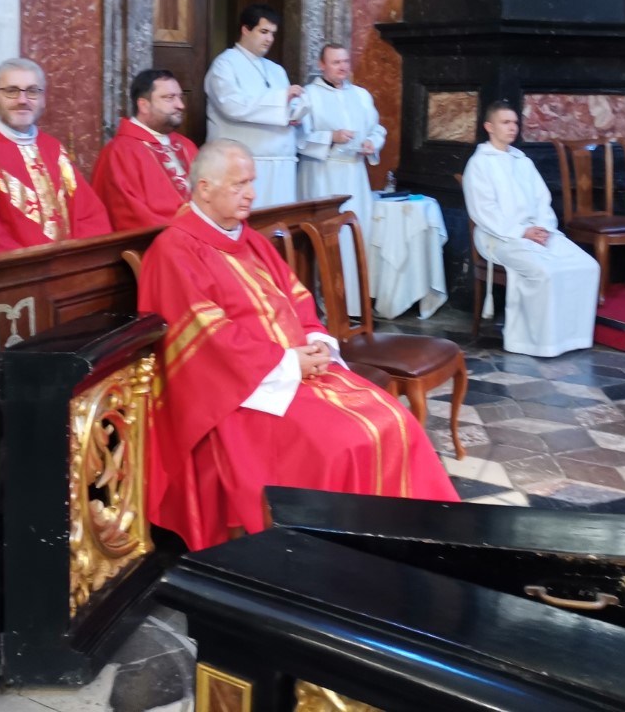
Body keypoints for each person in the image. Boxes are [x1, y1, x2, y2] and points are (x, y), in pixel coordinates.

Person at [138, 139, 460, 551]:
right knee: (342, 445)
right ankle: (331, 555)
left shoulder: (249, 239)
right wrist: (288, 363)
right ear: (204, 188)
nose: (251, 193)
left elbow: (297, 298)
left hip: (297, 372)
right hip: (240, 394)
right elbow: (208, 338)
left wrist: (317, 341)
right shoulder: (175, 251)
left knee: (395, 421)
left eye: (251, 182)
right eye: (239, 184)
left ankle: (418, 542)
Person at [462, 101, 600, 358]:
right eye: (505, 122)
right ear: (489, 126)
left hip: (536, 231)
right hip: (499, 236)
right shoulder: (479, 164)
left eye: (515, 122)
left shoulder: (522, 161)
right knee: (544, 272)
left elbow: (541, 199)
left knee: (587, 266)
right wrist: (521, 232)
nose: (512, 127)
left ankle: (572, 337)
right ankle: (537, 343)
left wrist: (543, 228)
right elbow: (483, 211)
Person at [0, 57, 112, 250]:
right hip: (15, 266)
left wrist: (80, 257)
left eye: (32, 91)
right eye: (11, 91)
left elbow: (88, 214)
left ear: (43, 99)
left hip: (68, 263)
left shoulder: (52, 148)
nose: (22, 100)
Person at [297, 43, 386, 317]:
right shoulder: (308, 96)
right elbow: (298, 137)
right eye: (336, 62)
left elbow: (377, 128)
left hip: (355, 175)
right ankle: (325, 304)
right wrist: (330, 137)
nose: (342, 67)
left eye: (345, 61)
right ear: (321, 65)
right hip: (322, 174)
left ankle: (354, 305)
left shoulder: (361, 95)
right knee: (328, 238)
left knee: (356, 234)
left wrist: (372, 143)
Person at [203, 4, 306, 208]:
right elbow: (231, 105)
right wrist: (281, 100)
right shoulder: (225, 64)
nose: (269, 39)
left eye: (273, 33)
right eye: (264, 31)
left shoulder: (276, 70)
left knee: (282, 221)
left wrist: (295, 114)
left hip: (282, 164)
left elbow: (286, 108)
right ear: (246, 29)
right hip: (246, 164)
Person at [92, 68, 199, 230]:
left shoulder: (186, 145)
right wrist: (186, 230)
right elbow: (130, 216)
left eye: (180, 97)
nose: (181, 105)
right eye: (169, 98)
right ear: (144, 105)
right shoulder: (120, 152)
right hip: (160, 240)